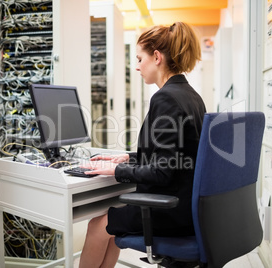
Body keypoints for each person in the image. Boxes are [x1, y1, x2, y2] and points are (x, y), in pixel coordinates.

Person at [79, 22, 206, 268]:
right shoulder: (191, 95)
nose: (136, 66)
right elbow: (175, 156)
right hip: (189, 207)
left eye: (140, 58)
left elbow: (162, 171)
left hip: (170, 210)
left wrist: (115, 171)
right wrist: (128, 159)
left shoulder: (166, 98)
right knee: (111, 225)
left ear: (157, 57)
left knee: (97, 226)